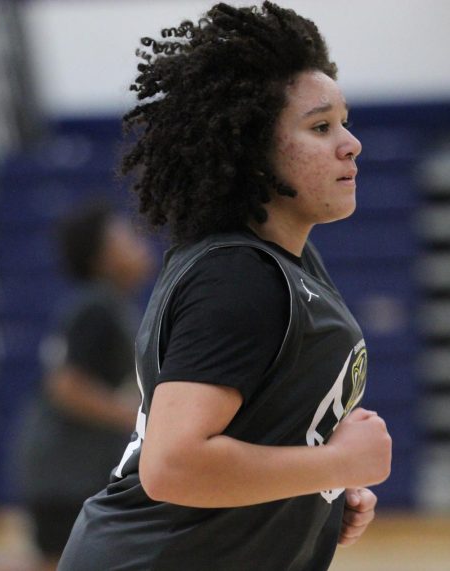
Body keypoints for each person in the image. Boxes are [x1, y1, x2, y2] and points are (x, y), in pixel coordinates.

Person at [58, 3, 392, 570]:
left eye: (344, 121)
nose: (350, 143)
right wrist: (335, 467)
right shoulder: (238, 276)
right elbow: (174, 466)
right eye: (320, 127)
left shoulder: (289, 263)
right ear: (252, 151)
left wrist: (314, 499)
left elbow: (258, 430)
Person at [18, 203, 154, 570]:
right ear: (101, 258)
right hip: (66, 472)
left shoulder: (109, 306)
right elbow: (66, 387)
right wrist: (141, 419)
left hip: (66, 470)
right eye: (124, 235)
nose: (137, 239)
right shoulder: (96, 307)